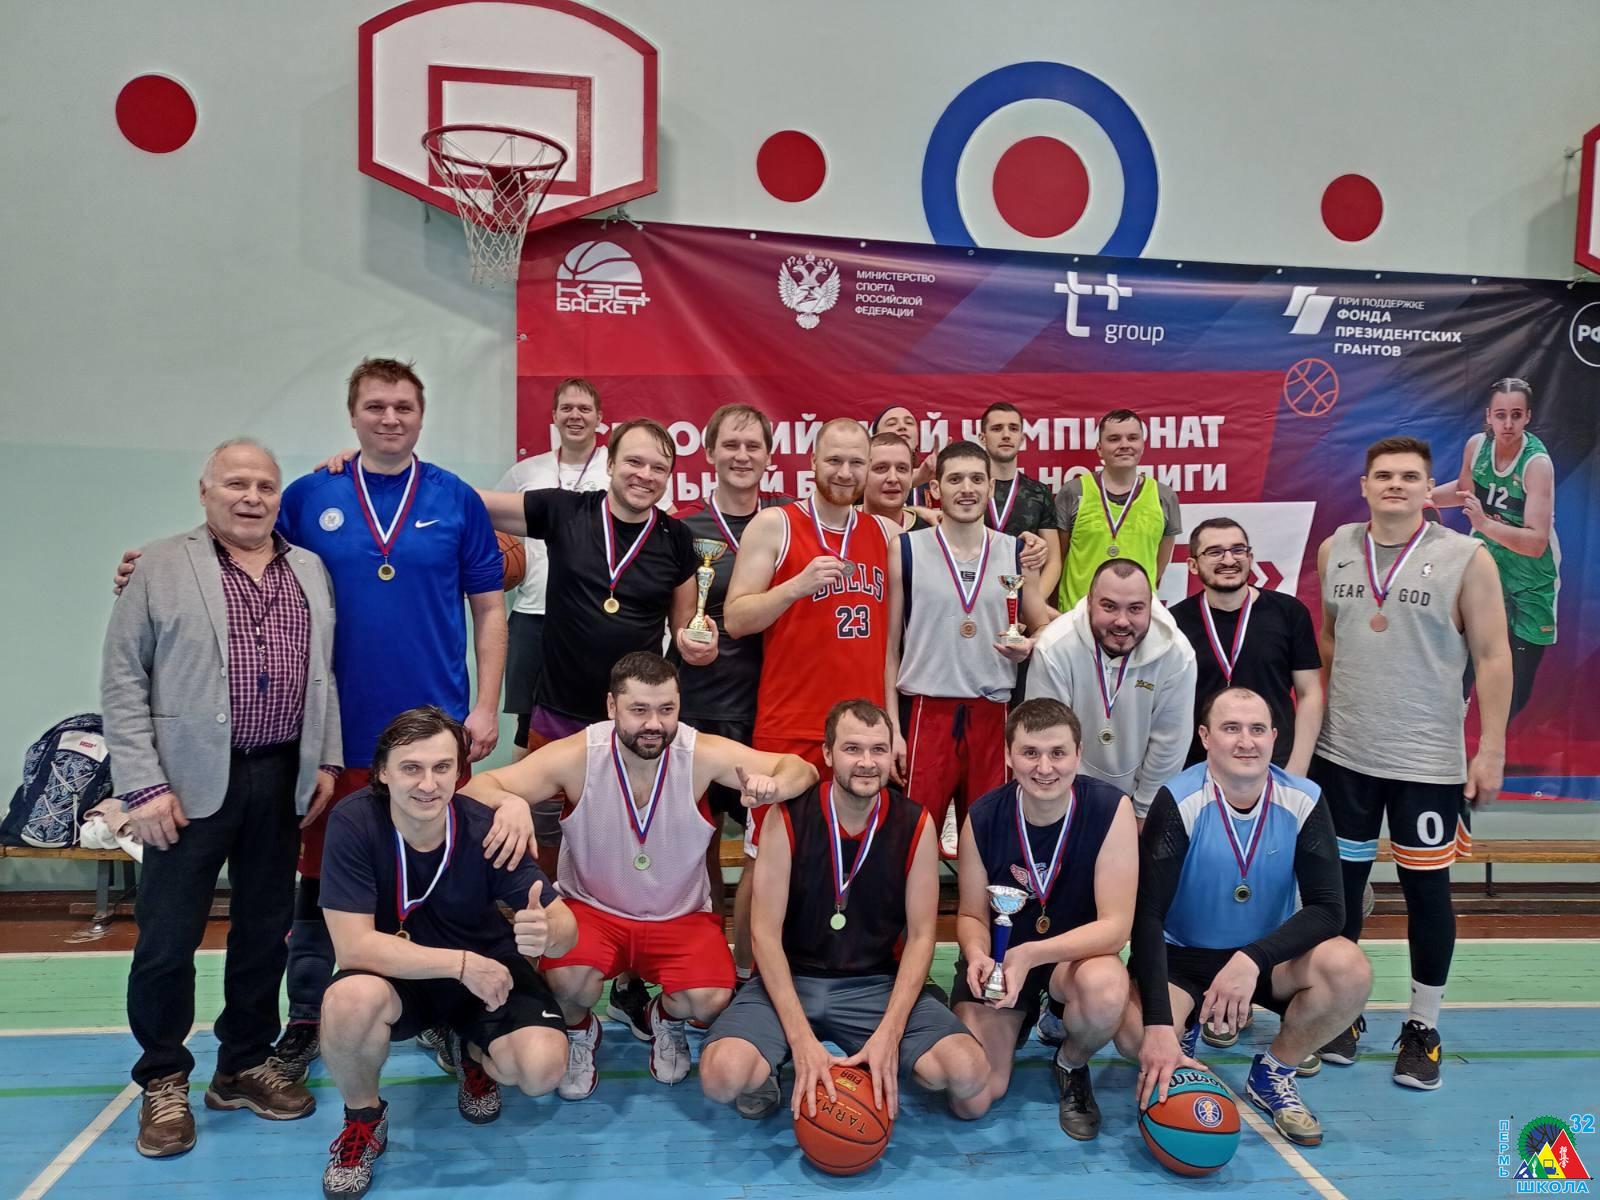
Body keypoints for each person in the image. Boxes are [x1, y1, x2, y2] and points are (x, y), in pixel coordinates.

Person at [102, 439, 341, 1158]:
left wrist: (325, 760)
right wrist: (143, 785)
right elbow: (123, 679)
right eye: (236, 483)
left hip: (281, 778)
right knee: (168, 940)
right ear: (204, 492)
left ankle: (241, 1063)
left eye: (265, 486)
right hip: (183, 787)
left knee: (265, 932)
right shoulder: (159, 565)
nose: (252, 497)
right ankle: (163, 1077)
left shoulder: (309, 569)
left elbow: (323, 673)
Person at [460, 653, 817, 1099]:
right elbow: (477, 788)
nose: (654, 724)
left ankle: (663, 1018)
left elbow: (801, 768)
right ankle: (581, 1030)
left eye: (667, 709)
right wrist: (510, 801)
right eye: (639, 710)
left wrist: (774, 787)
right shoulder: (579, 754)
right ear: (612, 706)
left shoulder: (700, 753)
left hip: (679, 917)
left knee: (711, 999)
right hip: (594, 911)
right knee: (566, 983)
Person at [477, 417, 713, 1039]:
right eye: (634, 462)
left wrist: (698, 645)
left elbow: (685, 631)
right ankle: (544, 974)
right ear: (610, 464)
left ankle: (631, 985)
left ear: (670, 477)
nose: (644, 475)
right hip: (558, 715)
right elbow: (476, 502)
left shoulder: (677, 540)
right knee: (537, 845)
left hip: (633, 730)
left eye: (658, 467)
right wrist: (386, 470)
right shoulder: (565, 511)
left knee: (635, 849)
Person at [1310, 435, 1510, 1090]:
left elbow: (1493, 657)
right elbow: (1330, 643)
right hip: (1345, 756)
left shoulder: (1466, 557)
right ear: (1364, 486)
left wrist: (1491, 748)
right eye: (1384, 475)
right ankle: (1340, 1011)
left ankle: (1423, 1027)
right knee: (1339, 895)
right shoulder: (1336, 548)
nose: (1395, 484)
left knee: (1427, 894)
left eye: (1409, 476)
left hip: (1427, 762)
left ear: (1430, 490)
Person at [317, 707, 577, 1199]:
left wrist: (548, 933)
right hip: (403, 976)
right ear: (382, 771)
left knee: (542, 1070)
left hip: (488, 976)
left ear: (460, 771)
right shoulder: (354, 822)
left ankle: (471, 1050)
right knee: (348, 1002)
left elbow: (563, 925)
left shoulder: (485, 827)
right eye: (411, 768)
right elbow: (353, 946)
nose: (428, 783)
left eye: (442, 767)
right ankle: (363, 1118)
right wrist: (459, 965)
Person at [699, 701, 989, 1122]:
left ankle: (881, 1056)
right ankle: (770, 1068)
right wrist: (801, 1040)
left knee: (968, 1073)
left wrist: (890, 1033)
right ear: (829, 753)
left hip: (875, 984)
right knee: (722, 1077)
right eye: (853, 749)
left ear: (892, 755)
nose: (867, 762)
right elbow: (764, 935)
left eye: (878, 750)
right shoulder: (786, 816)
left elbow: (923, 937)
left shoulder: (916, 823)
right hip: (792, 980)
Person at [1117, 688, 1371, 1147]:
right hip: (1182, 960)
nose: (1245, 741)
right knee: (1135, 1036)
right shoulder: (1178, 800)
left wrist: (1252, 959)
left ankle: (1274, 1073)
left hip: (1264, 961)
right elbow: (1148, 915)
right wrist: (1158, 1024)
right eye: (1231, 728)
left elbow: (1329, 909)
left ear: (1273, 737)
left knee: (1349, 969)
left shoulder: (1303, 799)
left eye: (1257, 729)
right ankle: (1185, 1029)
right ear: (1205, 737)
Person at [948, 699, 1136, 1140]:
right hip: (1002, 962)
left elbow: (1115, 928)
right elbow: (972, 913)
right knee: (971, 1099)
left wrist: (1032, 954)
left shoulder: (1111, 809)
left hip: (1071, 962)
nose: (1045, 767)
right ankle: (1009, 1017)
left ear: (1078, 753)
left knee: (1107, 992)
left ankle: (1070, 1060)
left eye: (1058, 753)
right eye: (1030, 753)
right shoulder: (983, 816)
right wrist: (977, 954)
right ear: (1009, 754)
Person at [668, 403, 792, 981]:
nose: (742, 456)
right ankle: (706, 959)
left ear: (769, 456)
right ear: (710, 452)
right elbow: (673, 614)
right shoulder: (682, 528)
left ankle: (755, 965)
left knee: (766, 846)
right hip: (697, 703)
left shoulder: (789, 523)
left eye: (753, 446)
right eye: (731, 445)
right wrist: (682, 636)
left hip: (768, 707)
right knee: (697, 845)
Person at [884, 441, 1052, 857]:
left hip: (993, 713)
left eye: (977, 479)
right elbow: (889, 648)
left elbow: (1042, 623)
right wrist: (893, 728)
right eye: (955, 479)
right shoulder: (906, 548)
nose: (967, 488)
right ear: (935, 488)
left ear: (991, 486)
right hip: (925, 713)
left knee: (989, 843)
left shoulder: (1016, 550)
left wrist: (1030, 645)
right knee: (914, 843)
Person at [724, 418, 895, 774]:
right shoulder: (775, 524)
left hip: (865, 734)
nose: (845, 473)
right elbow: (736, 620)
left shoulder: (887, 533)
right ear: (813, 460)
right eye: (834, 460)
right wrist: (794, 587)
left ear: (868, 466)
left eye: (856, 462)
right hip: (790, 726)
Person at [1025, 558, 1197, 821]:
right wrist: (1063, 806)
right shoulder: (1054, 647)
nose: (1122, 621)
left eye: (1135, 609)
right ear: (1089, 602)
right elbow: (1046, 737)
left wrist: (1143, 811)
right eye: (1109, 606)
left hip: (1138, 796)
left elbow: (1169, 741)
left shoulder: (1177, 654)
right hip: (1064, 794)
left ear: (1151, 606)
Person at [1430, 377, 1559, 724]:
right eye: (1500, 415)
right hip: (1488, 561)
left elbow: (1536, 543)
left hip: (1532, 574)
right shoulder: (1476, 447)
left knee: (1518, 685)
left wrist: (1484, 523)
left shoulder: (1537, 464)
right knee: (1466, 651)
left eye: (1516, 415)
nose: (1508, 423)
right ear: (1488, 416)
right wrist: (1423, 498)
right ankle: (1452, 727)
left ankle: (1493, 740)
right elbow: (1464, 492)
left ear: (1528, 416)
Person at [494, 378, 607, 759]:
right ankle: (519, 798)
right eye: (567, 408)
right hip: (533, 613)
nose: (575, 416)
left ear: (600, 418)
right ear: (554, 416)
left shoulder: (617, 468)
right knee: (528, 727)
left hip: (595, 613)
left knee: (597, 721)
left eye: (584, 409)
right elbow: (487, 522)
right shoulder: (525, 472)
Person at [1170, 518, 1324, 774]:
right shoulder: (1174, 623)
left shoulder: (1289, 612)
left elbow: (1309, 693)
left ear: (1250, 558)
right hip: (1197, 767)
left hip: (1275, 764)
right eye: (1215, 552)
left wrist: (1297, 768)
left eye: (1238, 550)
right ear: (1193, 565)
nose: (1229, 560)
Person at [1054, 409, 1181, 609]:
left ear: (1142, 445)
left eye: (1132, 438)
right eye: (1114, 439)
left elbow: (1158, 567)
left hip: (1137, 617)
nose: (1124, 445)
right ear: (1099, 448)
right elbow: (1057, 560)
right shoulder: (1073, 491)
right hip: (1079, 615)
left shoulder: (1164, 496)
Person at [978, 401, 1063, 600]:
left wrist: (1030, 605)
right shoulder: (970, 490)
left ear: (1022, 438)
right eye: (997, 428)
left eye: (1013, 428)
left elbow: (1053, 561)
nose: (1006, 435)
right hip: (971, 598)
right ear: (982, 438)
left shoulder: (1039, 492)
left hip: (1024, 601)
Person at [862, 431, 932, 532]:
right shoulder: (843, 524)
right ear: (861, 475)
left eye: (902, 469)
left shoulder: (929, 533)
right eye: (881, 468)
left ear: (911, 476)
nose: (893, 478)